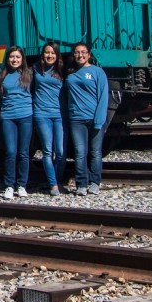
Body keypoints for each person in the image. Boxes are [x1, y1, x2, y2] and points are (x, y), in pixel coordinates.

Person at [65, 42, 109, 196]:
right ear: (73, 55)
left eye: (83, 52)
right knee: (79, 152)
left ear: (89, 54)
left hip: (94, 118)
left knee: (95, 152)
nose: (80, 55)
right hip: (76, 119)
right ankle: (81, 184)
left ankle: (95, 183)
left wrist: (99, 119)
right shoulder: (70, 73)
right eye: (77, 52)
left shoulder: (97, 72)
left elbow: (103, 96)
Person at [0, 45, 34, 199]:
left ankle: (22, 185)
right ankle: (9, 186)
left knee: (24, 153)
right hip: (8, 117)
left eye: (18, 57)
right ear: (8, 58)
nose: (15, 59)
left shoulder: (29, 74)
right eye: (12, 57)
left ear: (22, 59)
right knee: (11, 152)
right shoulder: (2, 75)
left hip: (26, 116)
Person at [32, 42, 67, 196]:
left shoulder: (62, 70)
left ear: (57, 55)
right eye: (47, 52)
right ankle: (53, 185)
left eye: (53, 53)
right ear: (43, 54)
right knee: (47, 151)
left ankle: (58, 181)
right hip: (42, 114)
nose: (50, 55)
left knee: (60, 151)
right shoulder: (35, 69)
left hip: (59, 114)